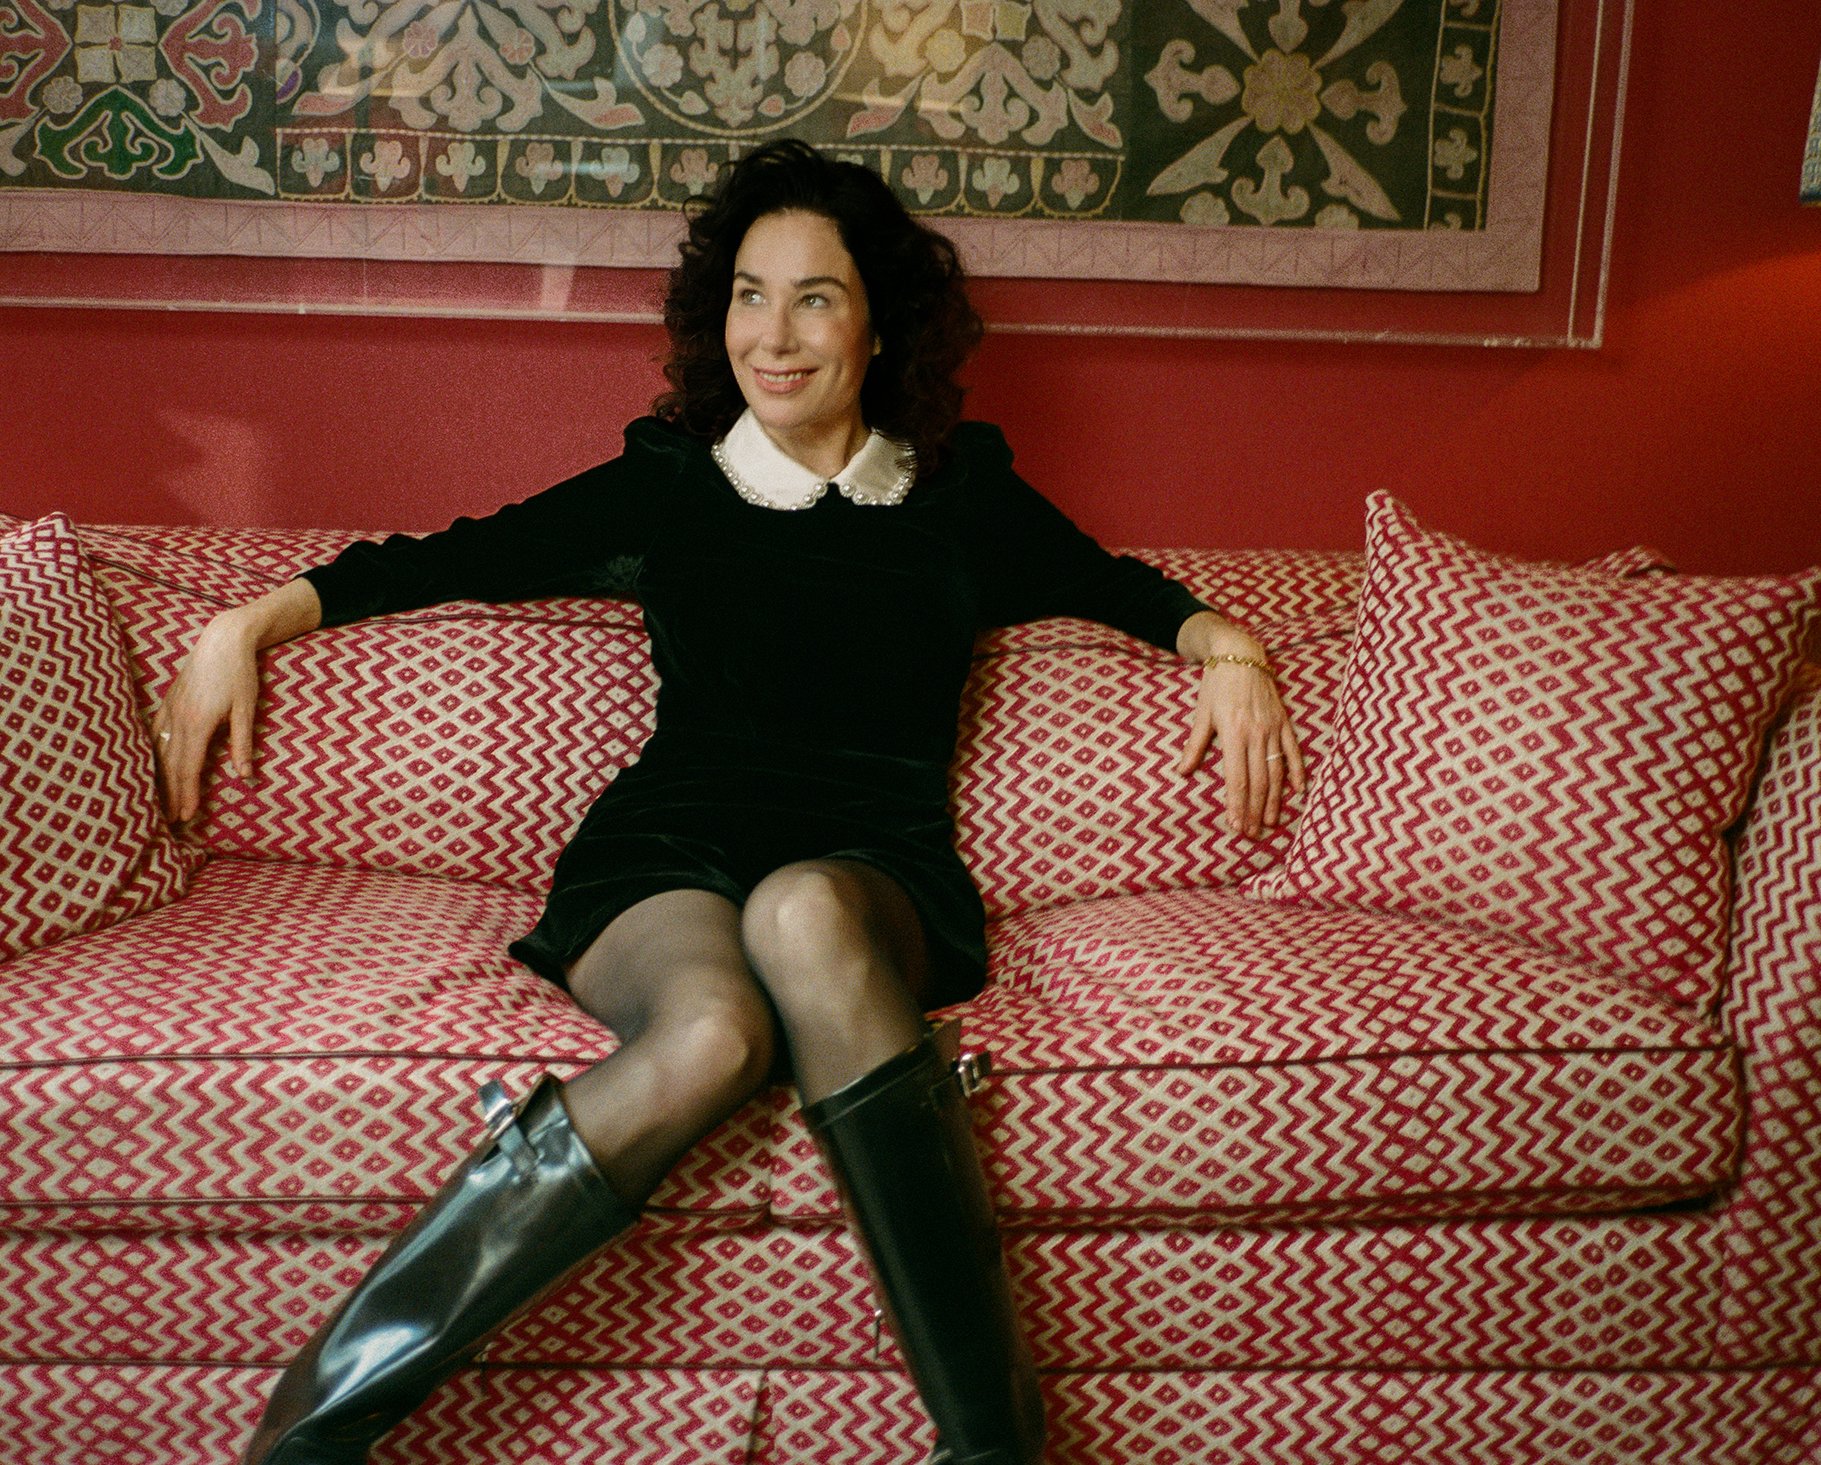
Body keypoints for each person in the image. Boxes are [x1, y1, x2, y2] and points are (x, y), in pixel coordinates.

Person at [153, 139, 1304, 1465]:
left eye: (816, 297)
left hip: (873, 871)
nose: (774, 334)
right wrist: (242, 623)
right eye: (750, 295)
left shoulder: (961, 496)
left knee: (802, 915)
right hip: (666, 859)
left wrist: (1232, 647)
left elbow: (1124, 589)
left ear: (880, 324)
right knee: (711, 1035)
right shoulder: (670, 483)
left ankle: (996, 1450)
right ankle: (303, 1439)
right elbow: (445, 559)